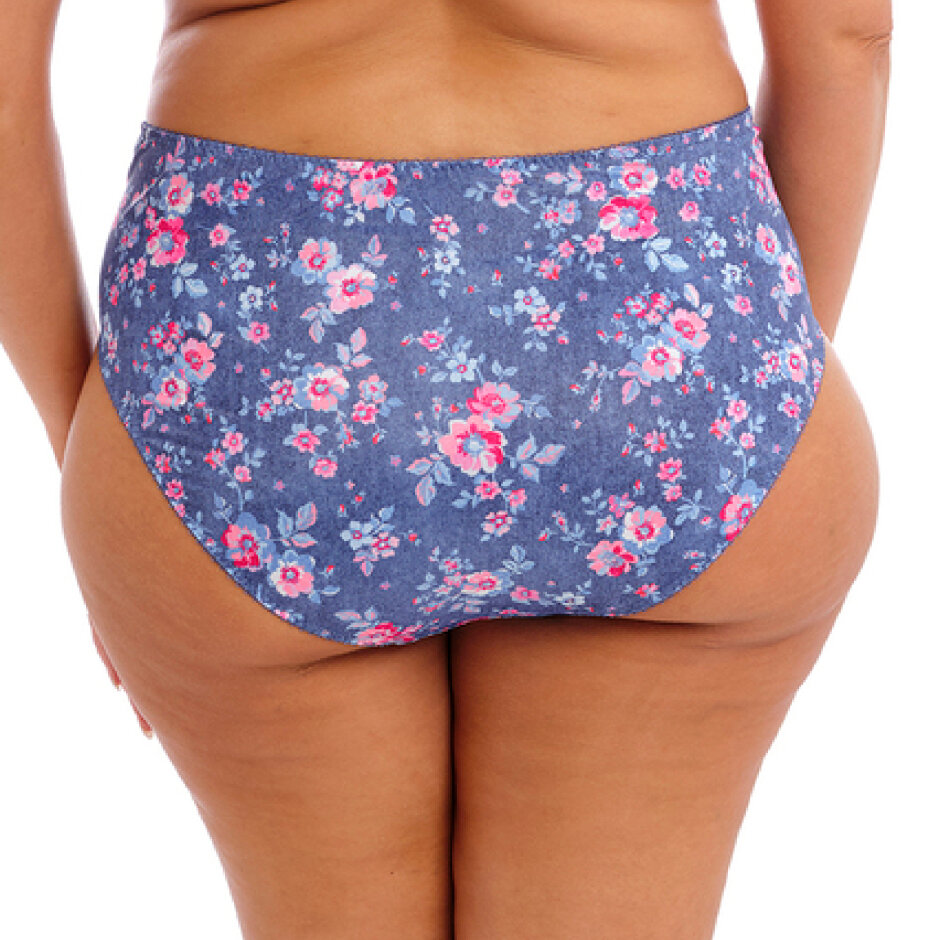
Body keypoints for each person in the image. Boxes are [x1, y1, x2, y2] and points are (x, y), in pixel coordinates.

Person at [0, 0, 889, 936]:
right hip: (670, 347)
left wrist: (95, 449)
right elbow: (846, 39)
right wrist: (761, 376)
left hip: (259, 363)